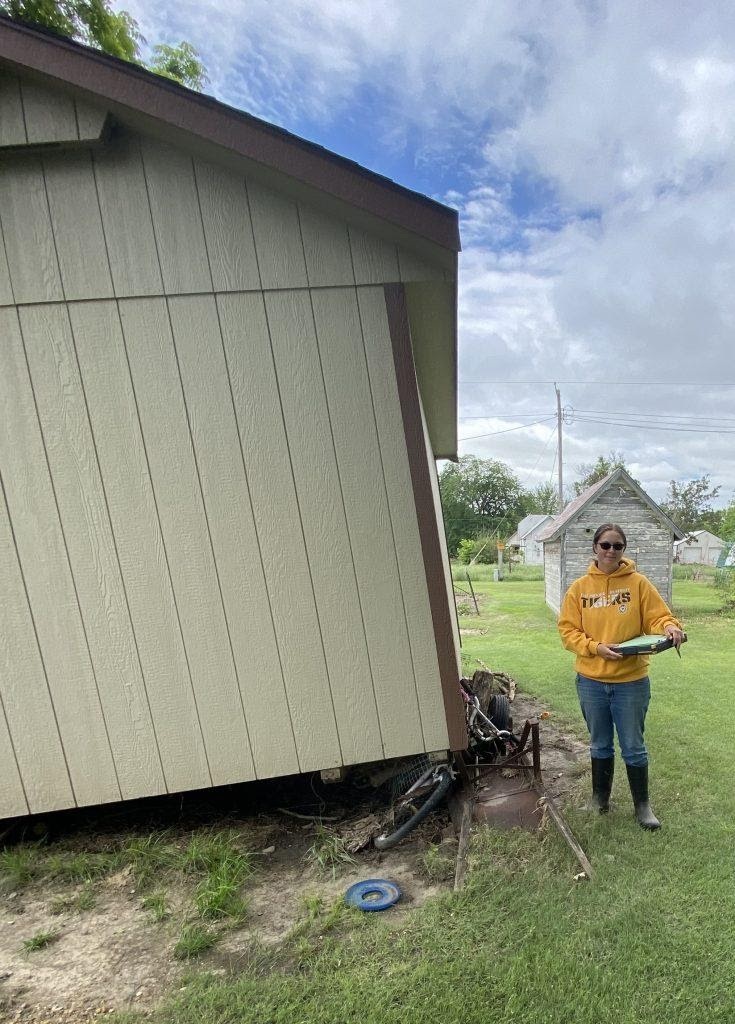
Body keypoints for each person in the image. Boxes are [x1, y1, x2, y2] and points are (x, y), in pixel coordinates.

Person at [558, 523, 684, 830]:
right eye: (605, 545)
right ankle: (599, 800)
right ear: (595, 548)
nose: (611, 551)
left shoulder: (638, 583)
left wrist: (670, 627)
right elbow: (567, 631)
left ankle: (643, 807)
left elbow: (658, 615)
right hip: (591, 681)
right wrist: (595, 648)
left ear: (623, 550)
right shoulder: (579, 589)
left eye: (617, 546)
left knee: (633, 745)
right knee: (600, 744)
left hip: (631, 682)